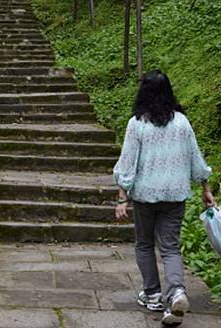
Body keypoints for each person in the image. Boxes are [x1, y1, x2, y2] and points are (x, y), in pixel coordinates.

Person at [113, 70, 215, 326]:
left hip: (145, 195)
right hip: (175, 195)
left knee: (145, 244)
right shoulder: (182, 122)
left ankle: (153, 294)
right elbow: (195, 158)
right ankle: (177, 292)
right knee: (170, 246)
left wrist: (122, 197)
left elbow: (127, 163)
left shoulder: (137, 124)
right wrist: (205, 188)